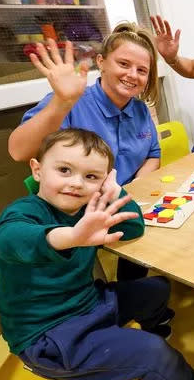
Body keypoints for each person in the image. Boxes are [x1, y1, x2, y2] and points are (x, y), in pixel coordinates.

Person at [0, 129, 194, 380]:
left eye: (91, 177)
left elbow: (133, 228)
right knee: (153, 352)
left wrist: (115, 192)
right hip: (48, 338)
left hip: (87, 304)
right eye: (64, 170)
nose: (75, 183)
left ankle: (149, 330)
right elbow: (11, 238)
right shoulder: (24, 212)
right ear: (37, 170)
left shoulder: (89, 208)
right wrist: (71, 236)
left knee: (157, 288)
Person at [8, 22, 162, 281]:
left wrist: (133, 186)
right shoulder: (72, 101)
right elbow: (18, 151)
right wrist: (62, 102)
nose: (132, 75)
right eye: (123, 64)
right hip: (75, 212)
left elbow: (153, 154)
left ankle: (136, 294)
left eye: (141, 70)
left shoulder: (139, 109)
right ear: (101, 62)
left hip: (122, 201)